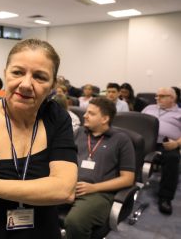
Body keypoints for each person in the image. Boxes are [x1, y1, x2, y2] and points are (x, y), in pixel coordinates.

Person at [0, 38, 78, 238]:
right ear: (5, 74)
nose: (26, 84)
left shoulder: (56, 117)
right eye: (17, 72)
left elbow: (64, 190)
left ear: (52, 84)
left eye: (40, 77)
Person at [64, 97, 135, 238]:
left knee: (75, 222)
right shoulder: (79, 133)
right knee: (37, 204)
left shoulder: (121, 140)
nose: (84, 115)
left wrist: (93, 188)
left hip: (98, 193)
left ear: (104, 119)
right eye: (86, 112)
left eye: (91, 113)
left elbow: (128, 179)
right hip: (69, 186)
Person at [141, 87, 181, 215]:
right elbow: (137, 122)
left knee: (172, 158)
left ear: (172, 98)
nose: (157, 98)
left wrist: (177, 143)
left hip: (165, 144)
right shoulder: (149, 108)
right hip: (144, 141)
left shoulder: (179, 113)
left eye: (162, 96)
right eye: (157, 96)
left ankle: (165, 198)